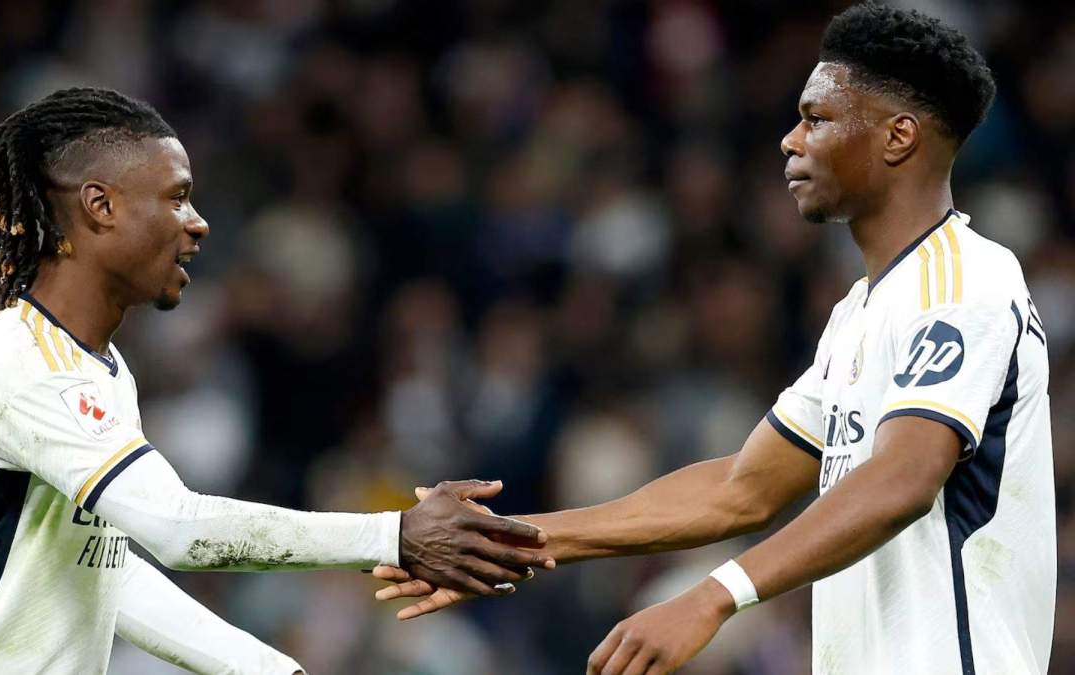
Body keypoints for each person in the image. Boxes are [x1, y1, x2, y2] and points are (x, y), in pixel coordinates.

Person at [373, 4, 1055, 674]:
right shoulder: (863, 310)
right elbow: (738, 489)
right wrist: (508, 541)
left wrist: (713, 595)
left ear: (898, 137)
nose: (790, 140)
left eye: (816, 118)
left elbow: (903, 479)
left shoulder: (965, 280)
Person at [0, 88, 554, 675]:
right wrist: (392, 534)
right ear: (100, 206)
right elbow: (178, 530)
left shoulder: (99, 370)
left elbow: (99, 568)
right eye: (176, 198)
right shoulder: (22, 358)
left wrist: (265, 666)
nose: (197, 223)